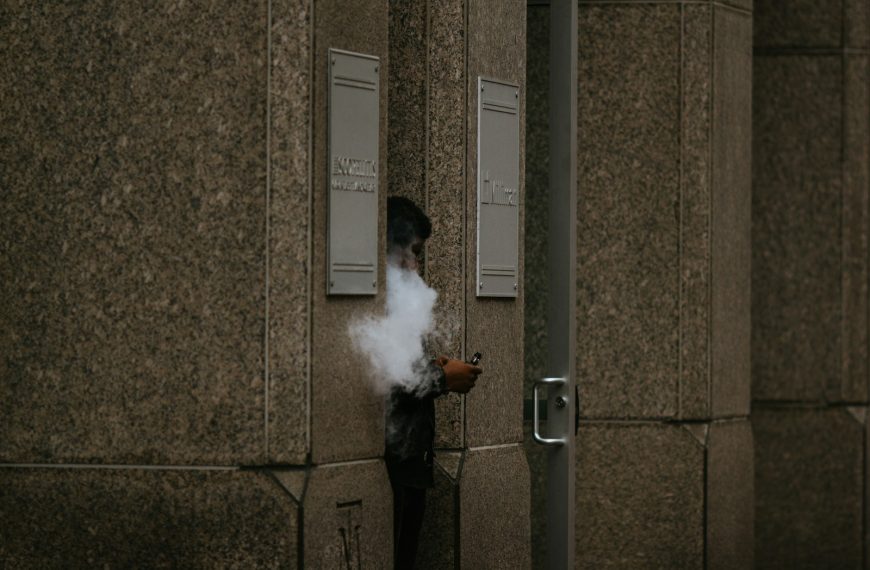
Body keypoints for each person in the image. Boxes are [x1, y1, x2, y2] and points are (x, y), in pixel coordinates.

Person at [385, 196, 482, 569]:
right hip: (397, 462)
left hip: (410, 459)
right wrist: (442, 377)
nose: (416, 263)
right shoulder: (375, 300)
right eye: (413, 251)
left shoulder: (395, 298)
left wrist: (434, 368)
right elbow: (391, 382)